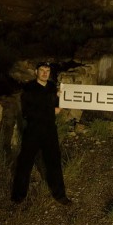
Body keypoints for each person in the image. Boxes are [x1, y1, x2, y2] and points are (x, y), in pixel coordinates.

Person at [10, 62, 72, 205]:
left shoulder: (51, 87)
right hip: (33, 130)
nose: (45, 73)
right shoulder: (28, 89)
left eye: (48, 70)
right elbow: (27, 112)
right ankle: (18, 197)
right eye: (42, 70)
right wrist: (51, 109)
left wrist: (59, 100)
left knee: (54, 162)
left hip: (50, 130)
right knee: (25, 162)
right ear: (36, 72)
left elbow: (56, 104)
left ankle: (60, 195)